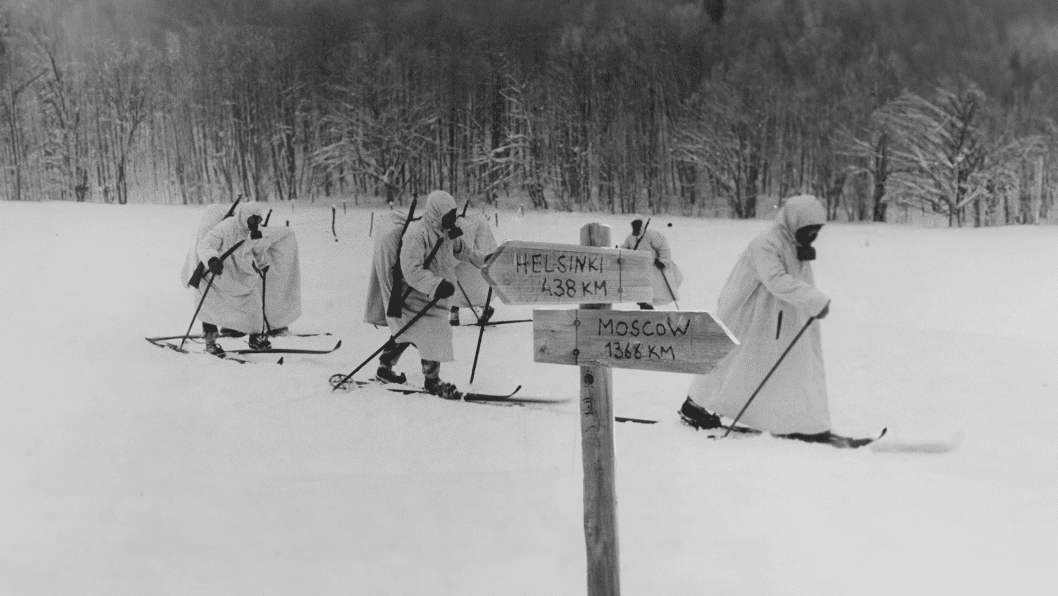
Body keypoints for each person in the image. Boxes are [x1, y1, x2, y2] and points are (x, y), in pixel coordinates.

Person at [680, 195, 832, 441]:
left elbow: (795, 278)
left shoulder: (792, 242)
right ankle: (694, 406)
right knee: (731, 360)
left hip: (771, 315)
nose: (813, 237)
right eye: (809, 231)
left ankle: (789, 418)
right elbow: (775, 279)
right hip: (746, 312)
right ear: (794, 222)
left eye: (816, 232)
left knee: (763, 365)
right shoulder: (767, 243)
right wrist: (814, 300)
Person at [363, 190, 489, 398]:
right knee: (430, 332)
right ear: (436, 212)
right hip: (414, 294)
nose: (452, 218)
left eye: (453, 214)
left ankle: (384, 369)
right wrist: (436, 285)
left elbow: (463, 251)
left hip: (433, 295)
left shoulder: (447, 230)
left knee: (406, 332)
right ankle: (433, 381)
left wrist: (487, 259)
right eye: (449, 214)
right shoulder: (417, 233)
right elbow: (411, 270)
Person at [181, 201, 302, 356]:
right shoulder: (226, 227)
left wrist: (262, 264)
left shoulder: (255, 232)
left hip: (240, 278)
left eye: (258, 220)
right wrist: (212, 260)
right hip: (217, 277)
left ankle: (255, 338)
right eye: (252, 219)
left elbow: (258, 251)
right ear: (244, 216)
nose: (255, 223)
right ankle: (210, 343)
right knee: (209, 310)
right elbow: (205, 245)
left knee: (255, 307)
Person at [620, 214, 683, 309]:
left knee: (654, 293)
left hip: (654, 268)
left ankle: (648, 310)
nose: (636, 226)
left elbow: (663, 247)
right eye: (634, 224)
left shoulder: (650, 235)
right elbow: (624, 249)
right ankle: (645, 310)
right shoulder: (630, 238)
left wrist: (663, 261)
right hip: (639, 270)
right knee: (641, 294)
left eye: (638, 224)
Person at [448, 210, 498, 326]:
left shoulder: (465, 223)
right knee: (459, 287)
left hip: (470, 259)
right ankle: (456, 311)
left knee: (466, 287)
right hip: (469, 259)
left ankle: (484, 309)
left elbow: (460, 247)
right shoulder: (475, 220)